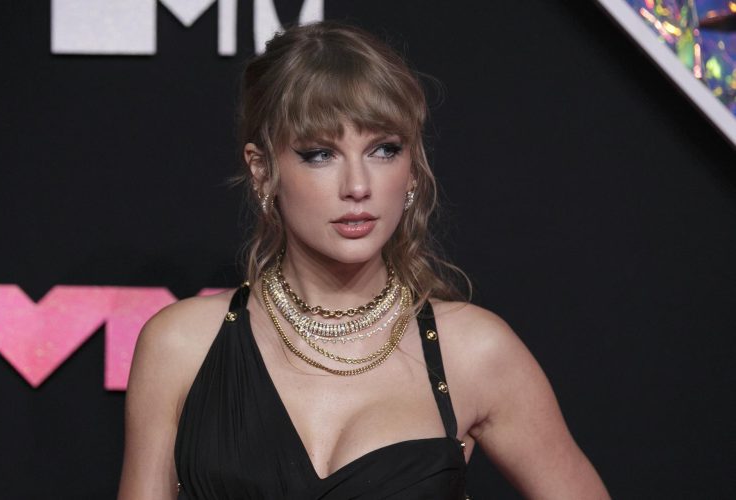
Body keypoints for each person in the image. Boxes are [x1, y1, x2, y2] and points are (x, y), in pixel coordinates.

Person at [118, 21, 610, 499]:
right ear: (263, 171)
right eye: (319, 154)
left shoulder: (476, 353)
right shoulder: (181, 346)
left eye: (383, 150)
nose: (358, 186)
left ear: (412, 168)